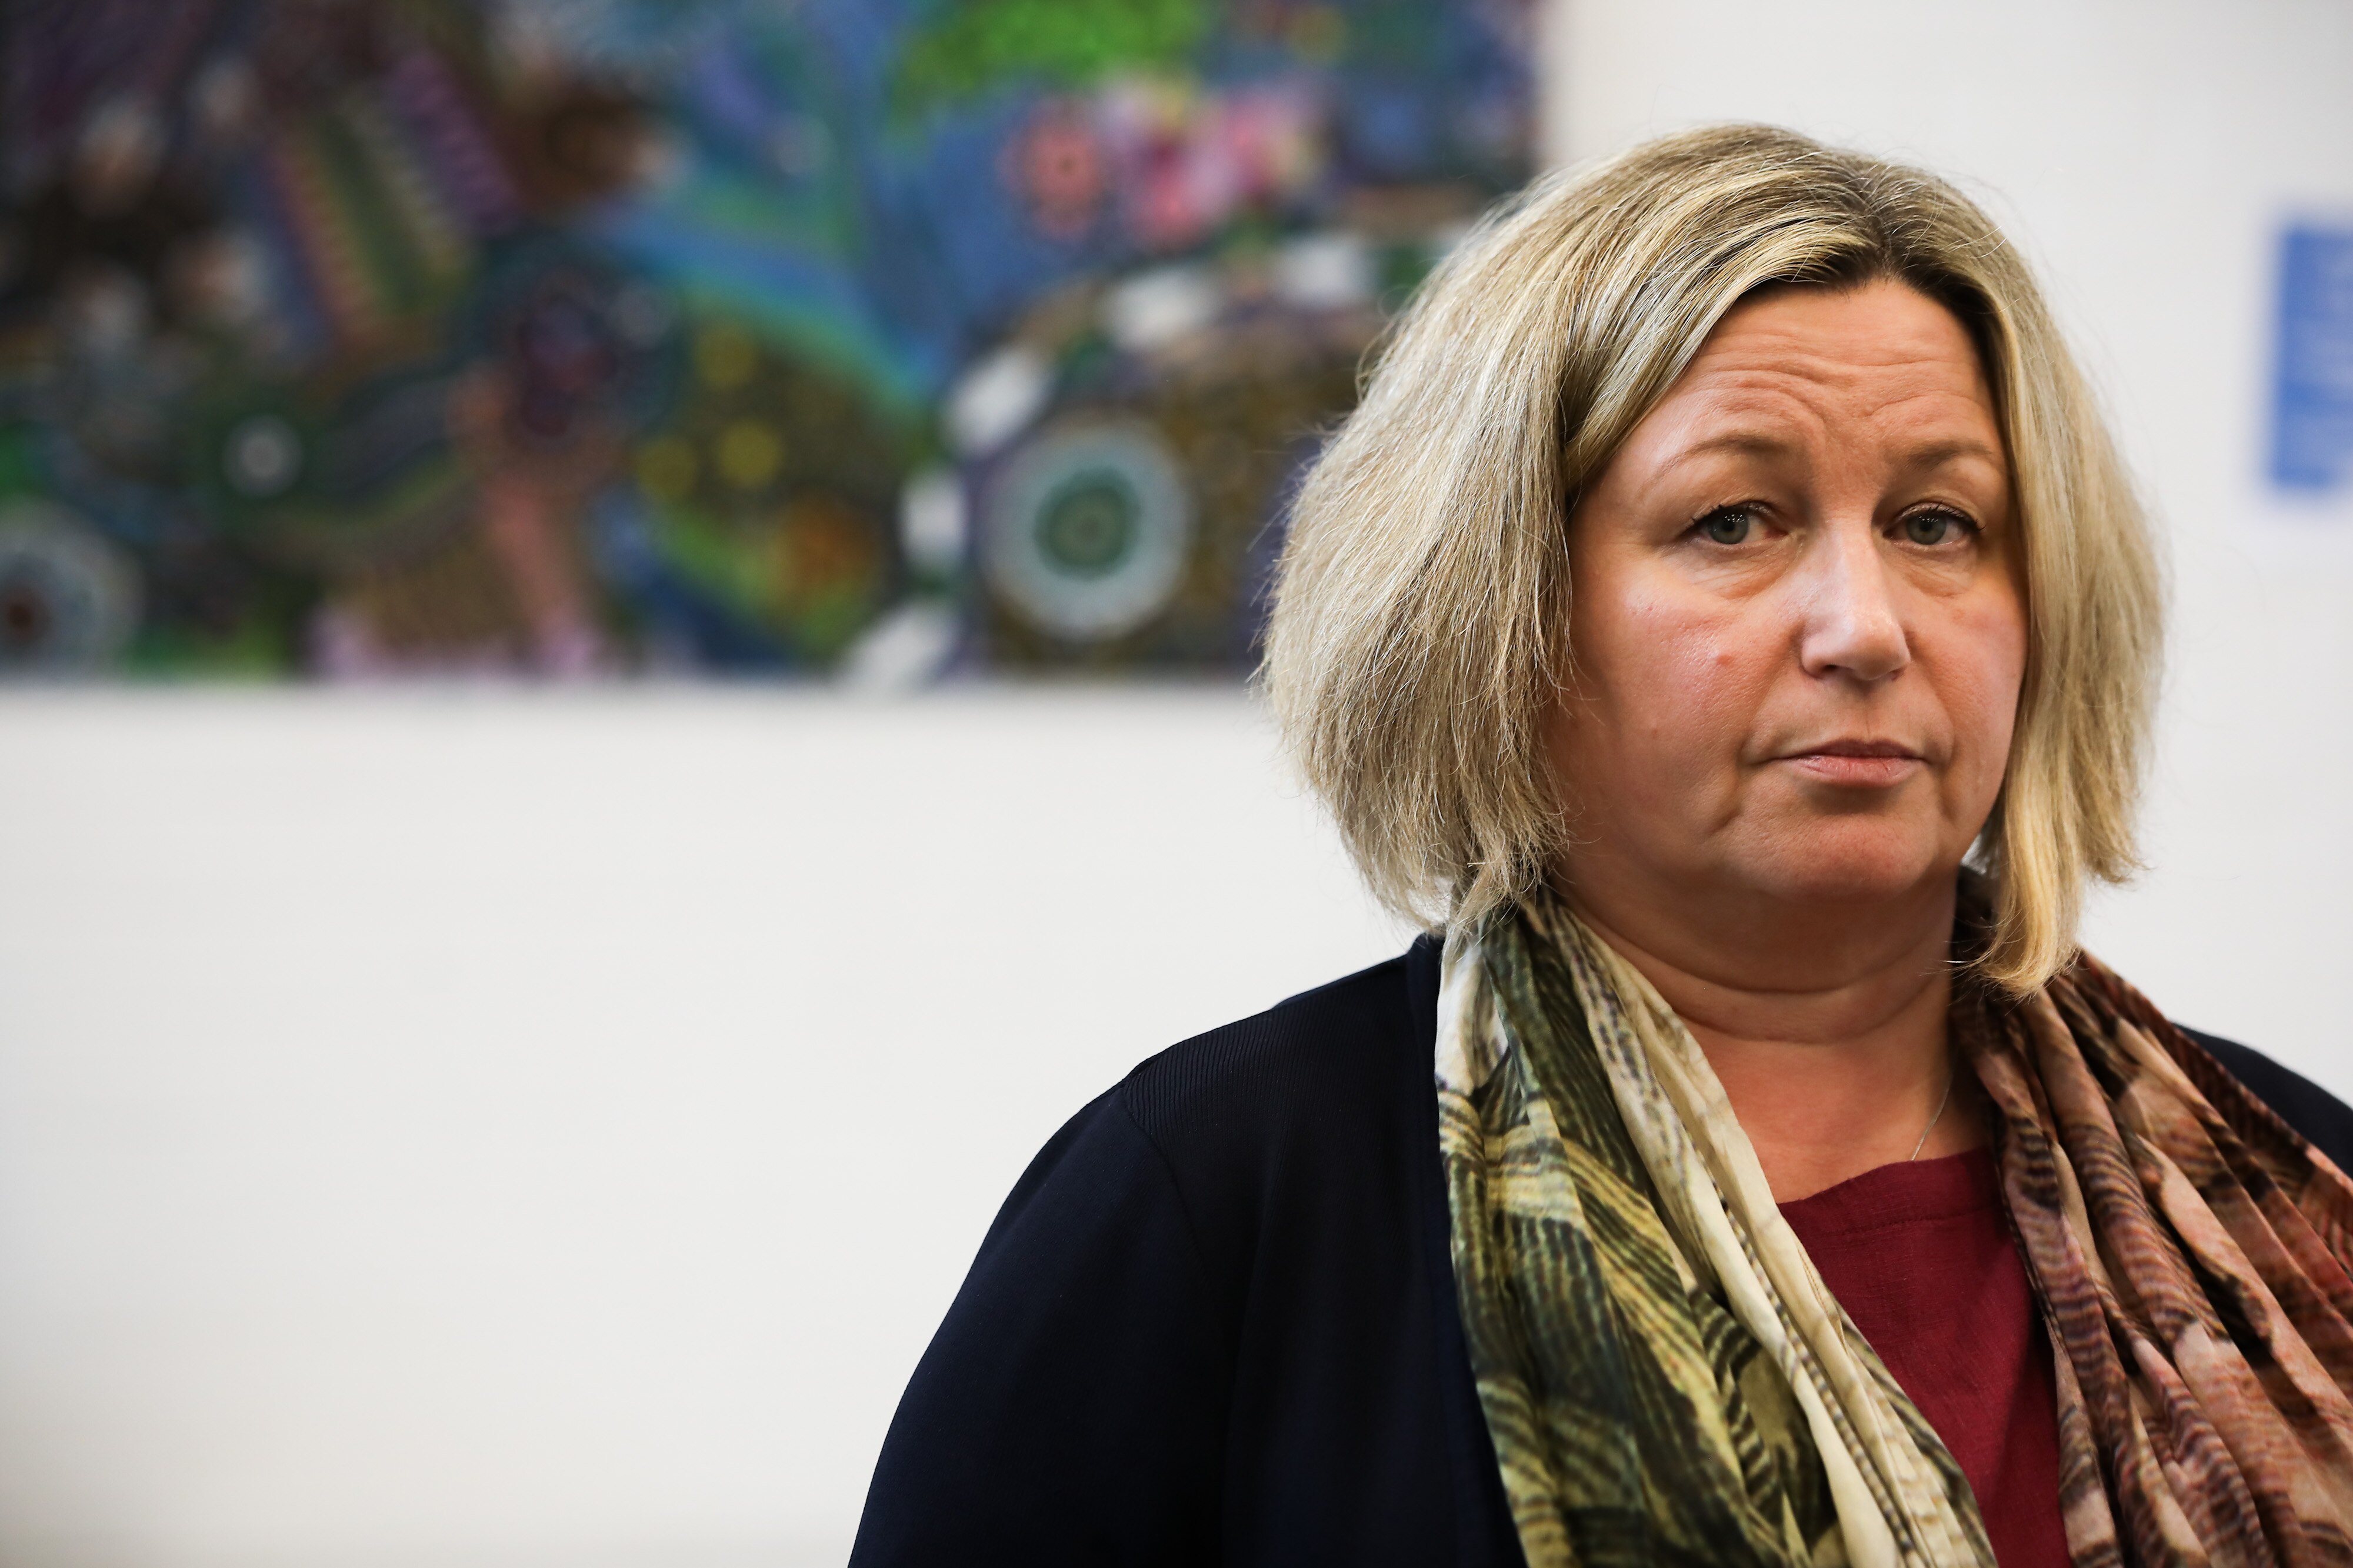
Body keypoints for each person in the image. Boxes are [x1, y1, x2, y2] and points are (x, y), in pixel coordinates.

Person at [850, 125, 2353, 1567]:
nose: (1864, 626)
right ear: (1496, 604)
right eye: (1733, 520)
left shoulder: (2289, 1195)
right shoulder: (1221, 1207)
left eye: (1938, 523)